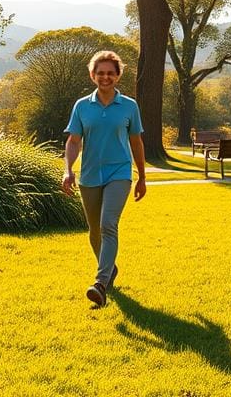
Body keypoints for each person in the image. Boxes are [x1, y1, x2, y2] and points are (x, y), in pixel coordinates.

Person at [62, 50, 146, 307]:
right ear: (92, 75)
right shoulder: (82, 106)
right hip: (89, 175)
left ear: (118, 75)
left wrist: (142, 177)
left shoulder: (129, 106)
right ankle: (110, 269)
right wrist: (68, 169)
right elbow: (74, 141)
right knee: (95, 231)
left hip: (119, 173)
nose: (105, 77)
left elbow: (136, 141)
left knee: (108, 223)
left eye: (111, 72)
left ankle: (100, 282)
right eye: (101, 73)